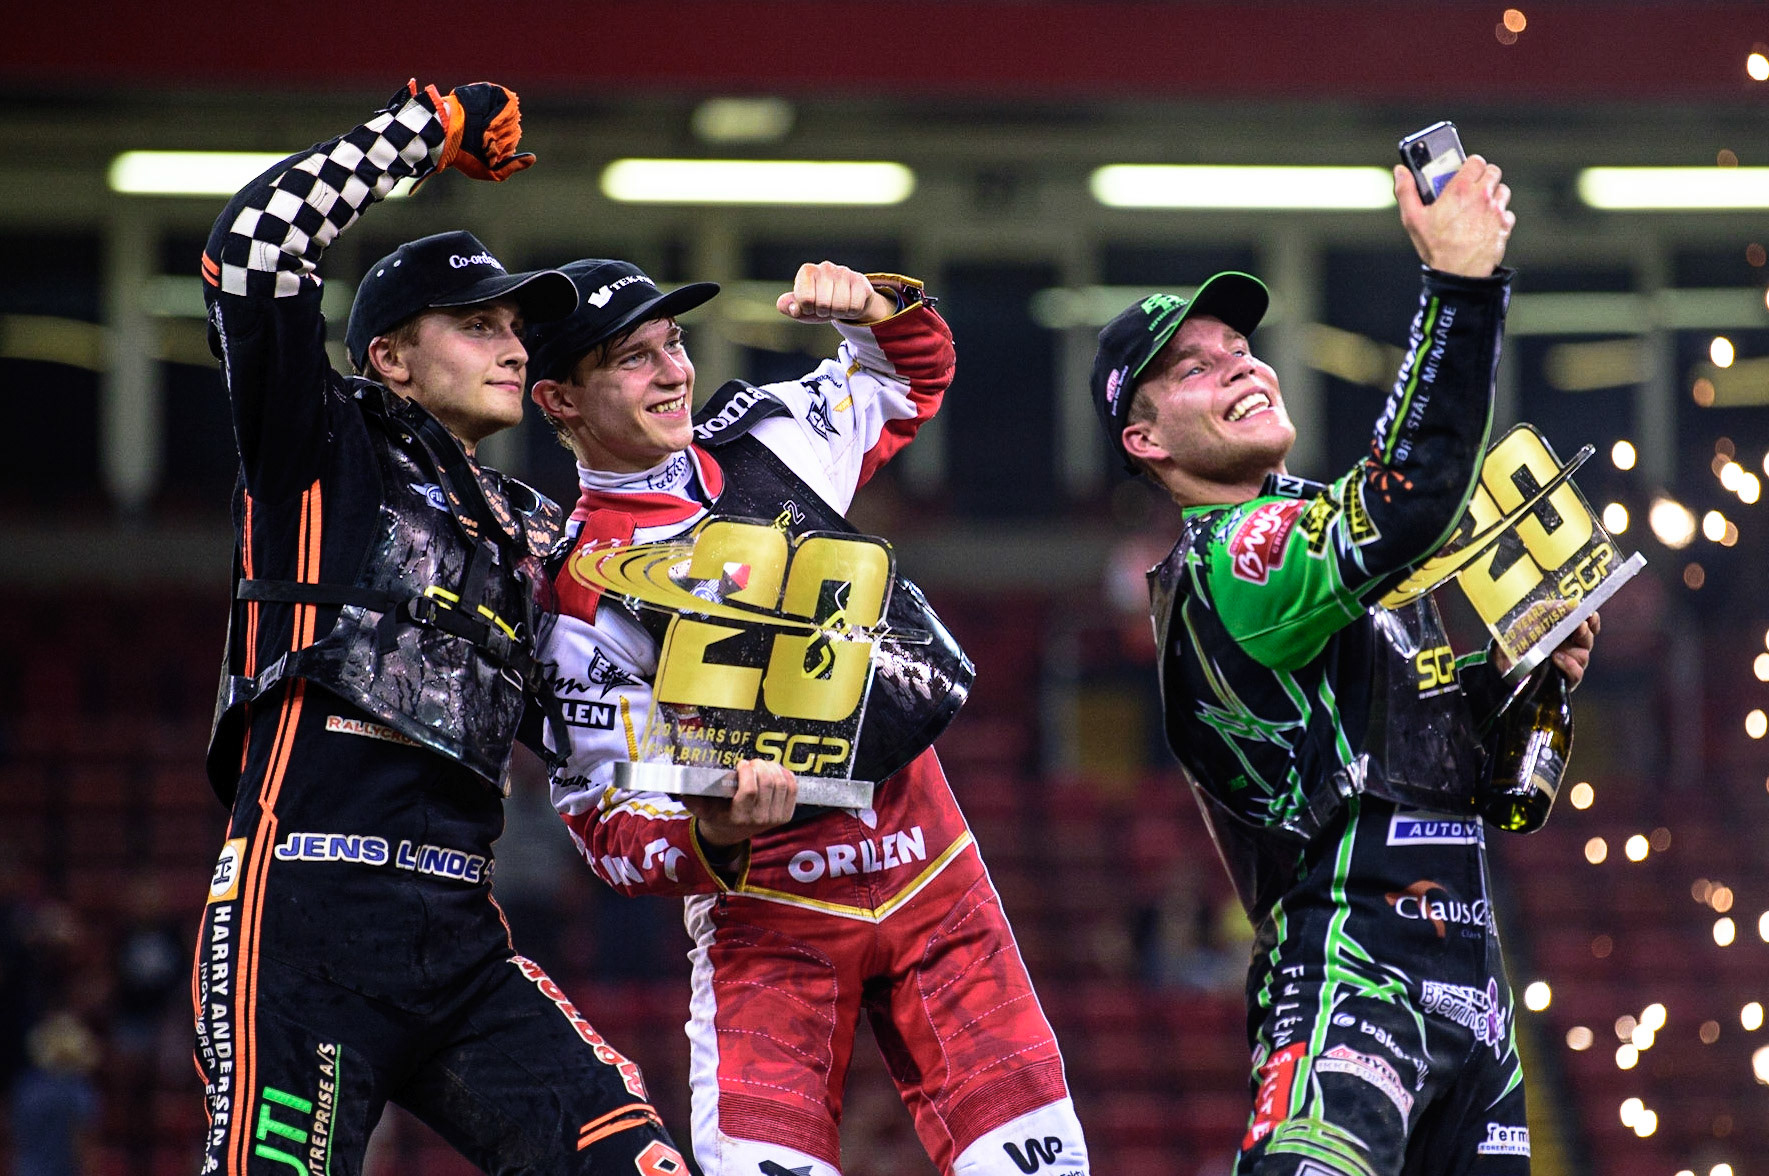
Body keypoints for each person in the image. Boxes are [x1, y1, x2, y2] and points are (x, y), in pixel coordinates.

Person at [193, 81, 685, 1173]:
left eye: (515, 330)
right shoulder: (316, 441)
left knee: (636, 1160)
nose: (513, 348)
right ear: (390, 357)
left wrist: (730, 785)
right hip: (304, 914)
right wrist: (426, 132)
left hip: (460, 929)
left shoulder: (536, 528)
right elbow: (253, 247)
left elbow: (619, 709)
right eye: (477, 325)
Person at [527, 258, 1090, 1176]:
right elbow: (606, 824)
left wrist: (875, 307)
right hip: (767, 922)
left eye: (673, 343)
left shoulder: (771, 436)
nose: (673, 372)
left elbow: (909, 376)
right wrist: (708, 830)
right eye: (633, 358)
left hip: (935, 877)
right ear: (558, 399)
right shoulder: (575, 595)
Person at [1090, 157, 1597, 1175]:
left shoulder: (1331, 567)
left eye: (1241, 349)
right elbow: (1410, 496)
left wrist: (1518, 679)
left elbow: (1471, 790)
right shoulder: (1234, 560)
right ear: (1143, 439)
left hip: (1471, 1000)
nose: (1240, 367)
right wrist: (1459, 286)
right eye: (1192, 368)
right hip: (1349, 983)